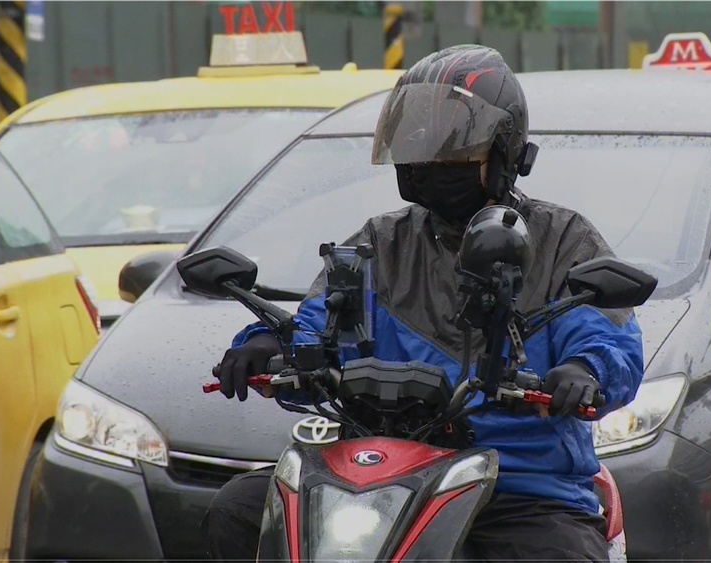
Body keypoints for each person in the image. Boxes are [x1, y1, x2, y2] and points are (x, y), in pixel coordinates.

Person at [201, 44, 644, 562]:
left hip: (519, 483)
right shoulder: (380, 243)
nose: (432, 157)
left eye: (453, 144)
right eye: (419, 138)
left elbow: (604, 334)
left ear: (505, 151)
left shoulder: (562, 239)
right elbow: (318, 325)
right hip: (377, 472)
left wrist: (582, 370)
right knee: (237, 514)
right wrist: (263, 344)